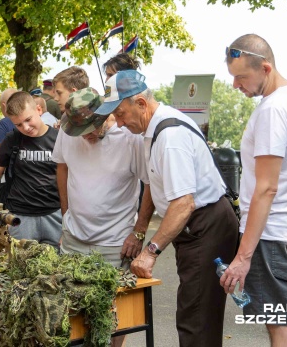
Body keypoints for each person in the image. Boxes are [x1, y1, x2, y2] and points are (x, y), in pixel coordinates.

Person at [96, 69, 238, 346]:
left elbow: (183, 203)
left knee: (197, 318)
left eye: (122, 115)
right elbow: (152, 183)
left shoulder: (170, 136)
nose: (121, 124)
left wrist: (151, 251)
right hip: (194, 225)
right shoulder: (151, 129)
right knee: (194, 313)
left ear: (140, 103)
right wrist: (139, 231)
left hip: (204, 224)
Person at [219, 34, 287, 346]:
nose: (236, 85)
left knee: (278, 325)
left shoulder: (273, 110)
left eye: (241, 77)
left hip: (268, 235)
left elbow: (266, 188)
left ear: (265, 67)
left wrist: (243, 256)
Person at [52, 88, 151, 347]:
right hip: (75, 237)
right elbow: (62, 168)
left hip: (115, 241)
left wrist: (139, 231)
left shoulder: (130, 138)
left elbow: (150, 184)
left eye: (90, 130)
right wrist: (65, 214)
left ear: (104, 116)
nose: (85, 137)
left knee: (113, 313)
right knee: (73, 308)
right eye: (79, 132)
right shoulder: (67, 132)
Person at [0, 91, 61, 247]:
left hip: (55, 214)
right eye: (18, 124)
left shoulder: (59, 138)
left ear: (38, 110)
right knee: (20, 266)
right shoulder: (12, 139)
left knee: (57, 266)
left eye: (28, 120)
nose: (25, 127)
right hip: (20, 217)